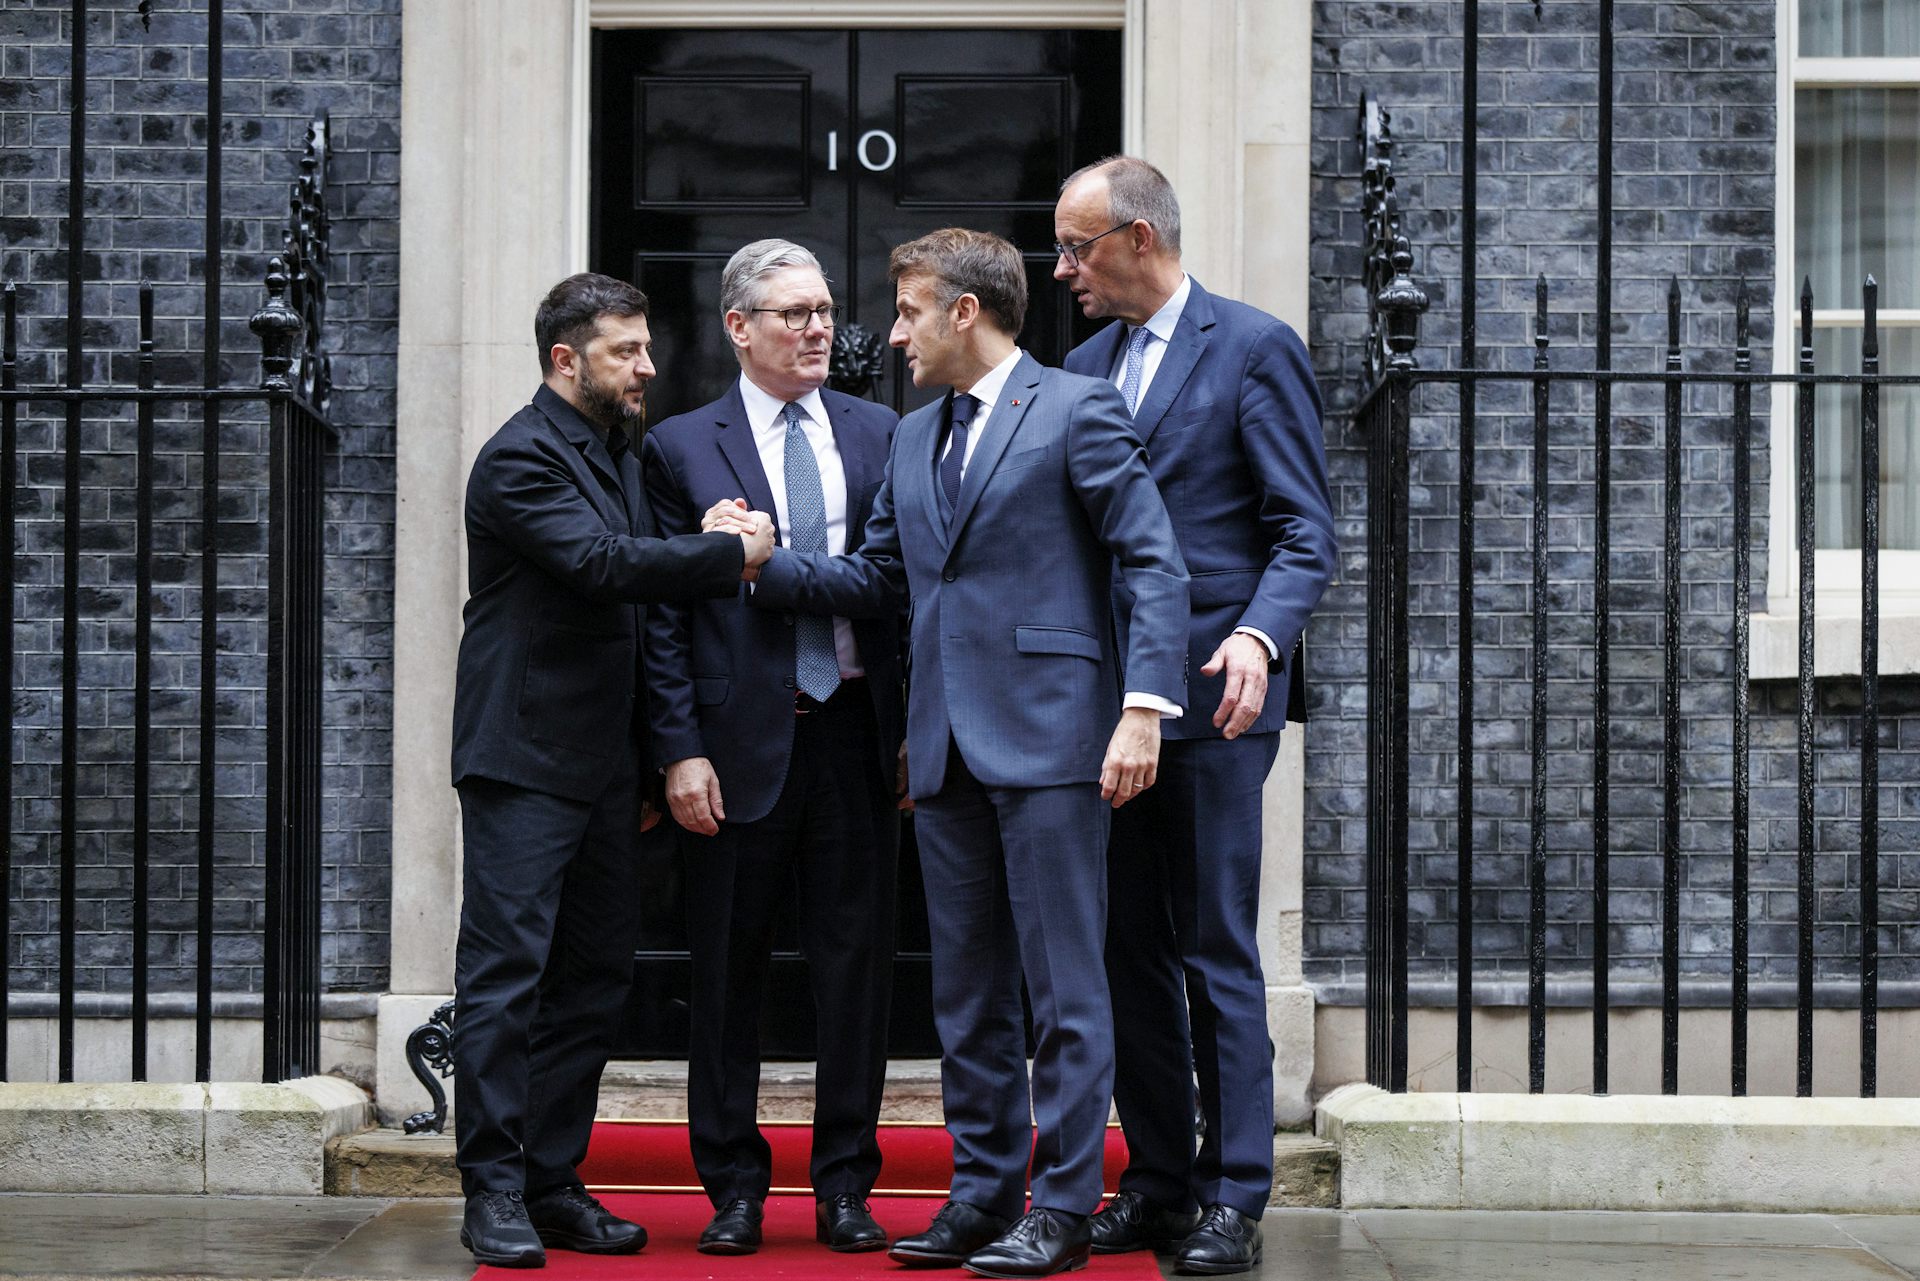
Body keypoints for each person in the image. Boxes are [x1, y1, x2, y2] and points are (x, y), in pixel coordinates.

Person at [708, 228, 1189, 1279]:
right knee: (968, 994)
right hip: (942, 753)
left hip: (1061, 741)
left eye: (911, 309)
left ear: (966, 311)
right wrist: (765, 564)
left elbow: (1151, 561)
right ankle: (980, 1195)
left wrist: (1144, 706)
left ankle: (1062, 1205)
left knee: (1064, 991)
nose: (892, 331)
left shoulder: (1076, 408)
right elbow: (879, 577)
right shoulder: (916, 436)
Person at [449, 272, 773, 1269]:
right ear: (564, 359)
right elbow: (599, 566)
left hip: (600, 766)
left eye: (644, 347)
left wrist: (647, 758)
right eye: (627, 350)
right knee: (507, 980)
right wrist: (724, 553)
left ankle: (552, 1182)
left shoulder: (618, 446)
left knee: (593, 977)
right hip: (523, 756)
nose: (648, 365)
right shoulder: (519, 460)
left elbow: (628, 601)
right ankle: (493, 1191)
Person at [1053, 156, 1337, 1276]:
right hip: (1103, 705)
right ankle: (1159, 1181)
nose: (1065, 267)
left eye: (1079, 246)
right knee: (1125, 951)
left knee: (1215, 948)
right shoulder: (1079, 367)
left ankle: (1234, 1194)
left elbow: (1303, 529)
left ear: (1138, 237)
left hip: (1218, 701)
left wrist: (1259, 640)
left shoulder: (1254, 347)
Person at [641, 240, 906, 1257]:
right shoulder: (679, 448)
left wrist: (916, 734)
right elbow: (662, 620)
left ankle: (845, 1184)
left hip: (854, 734)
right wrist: (677, 748)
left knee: (856, 973)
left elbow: (902, 593)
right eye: (791, 313)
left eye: (825, 311)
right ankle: (734, 1189)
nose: (816, 329)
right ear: (739, 326)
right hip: (733, 745)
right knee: (725, 976)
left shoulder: (882, 432)